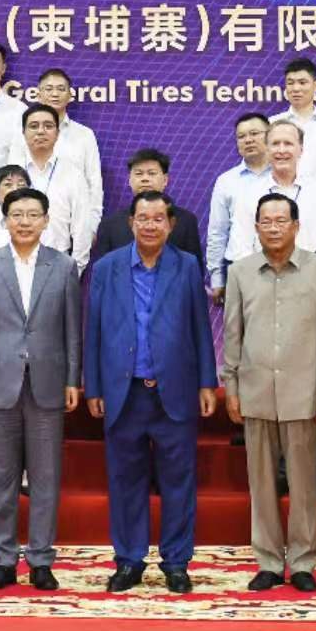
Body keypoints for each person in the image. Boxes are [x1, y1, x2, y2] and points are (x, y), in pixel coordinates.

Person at [87, 193, 217, 594]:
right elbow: (93, 329)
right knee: (125, 481)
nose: (150, 225)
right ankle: (128, 560)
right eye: (143, 217)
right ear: (131, 223)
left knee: (179, 481)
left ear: (171, 224)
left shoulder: (187, 266)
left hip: (174, 390)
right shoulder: (107, 268)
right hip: (123, 392)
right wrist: (94, 385)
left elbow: (200, 327)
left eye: (158, 218)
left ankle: (176, 562)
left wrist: (206, 382)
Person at [220, 193, 316, 593]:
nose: (273, 228)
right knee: (261, 484)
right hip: (255, 390)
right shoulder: (240, 272)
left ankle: (304, 562)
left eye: (281, 221)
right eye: (266, 221)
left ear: (296, 226)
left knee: (304, 483)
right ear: (256, 227)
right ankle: (269, 562)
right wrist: (231, 387)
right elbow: (232, 334)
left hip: (303, 393)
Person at [0, 187, 85, 590]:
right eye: (17, 214)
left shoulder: (63, 267)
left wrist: (73, 379)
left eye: (33, 214)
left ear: (46, 221)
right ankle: (2, 559)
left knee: (46, 478)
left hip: (48, 384)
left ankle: (41, 560)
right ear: (5, 220)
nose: (25, 221)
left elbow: (72, 329)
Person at [225, 120, 316, 266]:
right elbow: (240, 249)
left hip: (310, 275)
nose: (281, 150)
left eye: (288, 143)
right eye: (275, 144)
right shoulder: (248, 194)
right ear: (267, 149)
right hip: (261, 276)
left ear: (301, 149)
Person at [204, 113, 274, 298]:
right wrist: (217, 278)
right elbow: (218, 232)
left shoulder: (286, 174)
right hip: (239, 268)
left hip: (282, 267)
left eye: (254, 133)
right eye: (241, 136)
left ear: (270, 135)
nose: (248, 140)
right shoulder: (226, 181)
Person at [10, 103, 95, 254]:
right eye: (34, 126)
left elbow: (81, 227)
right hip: (15, 258)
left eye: (48, 126)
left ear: (57, 133)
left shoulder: (73, 174)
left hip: (59, 259)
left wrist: (76, 266)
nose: (40, 131)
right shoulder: (11, 173)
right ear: (23, 132)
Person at [32, 68, 107, 221]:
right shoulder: (23, 134)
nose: (55, 94)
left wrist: (92, 223)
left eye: (61, 89)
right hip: (31, 220)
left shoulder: (84, 135)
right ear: (38, 95)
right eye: (49, 89)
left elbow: (94, 182)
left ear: (69, 96)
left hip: (74, 219)